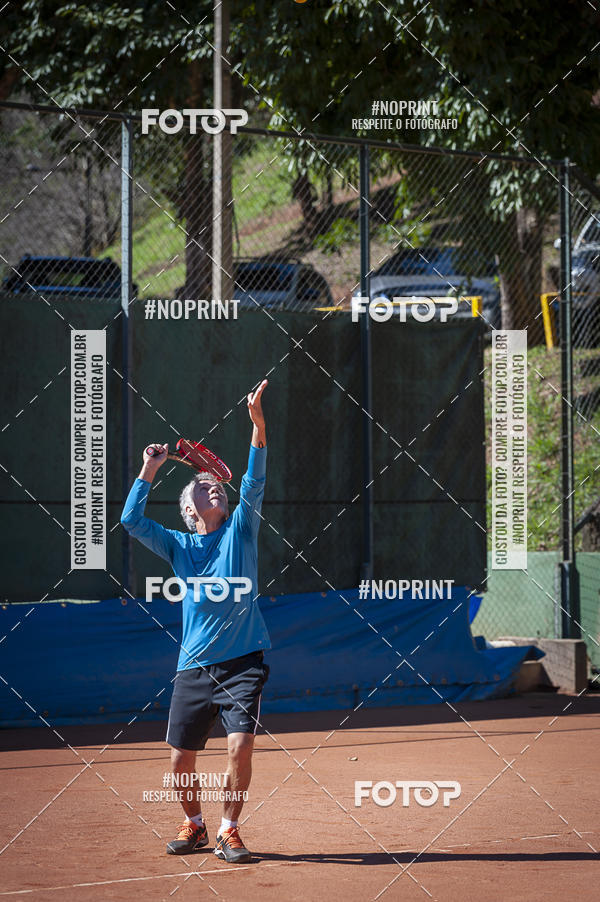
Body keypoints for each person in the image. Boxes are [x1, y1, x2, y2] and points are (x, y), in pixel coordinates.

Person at [120, 380, 271, 864]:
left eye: (217, 486)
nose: (215, 487)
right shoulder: (179, 546)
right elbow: (130, 521)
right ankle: (195, 825)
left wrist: (258, 426)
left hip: (243, 664)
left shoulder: (241, 530)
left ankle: (230, 830)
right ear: (189, 510)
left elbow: (253, 480)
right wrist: (150, 468)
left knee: (239, 747)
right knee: (180, 761)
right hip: (193, 667)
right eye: (205, 487)